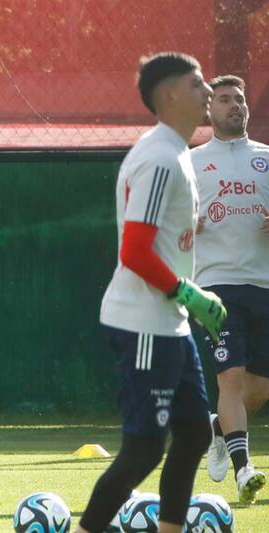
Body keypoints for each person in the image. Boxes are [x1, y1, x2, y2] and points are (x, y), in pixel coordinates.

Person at [76, 52, 225, 533]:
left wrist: (187, 298)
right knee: (143, 449)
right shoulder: (160, 157)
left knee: (196, 432)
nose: (207, 91)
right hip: (142, 322)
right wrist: (189, 294)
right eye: (198, 83)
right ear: (169, 95)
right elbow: (135, 251)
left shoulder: (177, 152)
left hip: (169, 324)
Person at [191, 74, 268, 504]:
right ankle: (245, 472)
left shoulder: (267, 158)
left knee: (258, 387)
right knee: (231, 378)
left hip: (265, 284)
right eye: (224, 99)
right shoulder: (191, 162)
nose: (234, 105)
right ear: (209, 110)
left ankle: (219, 428)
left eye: (239, 99)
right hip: (215, 288)